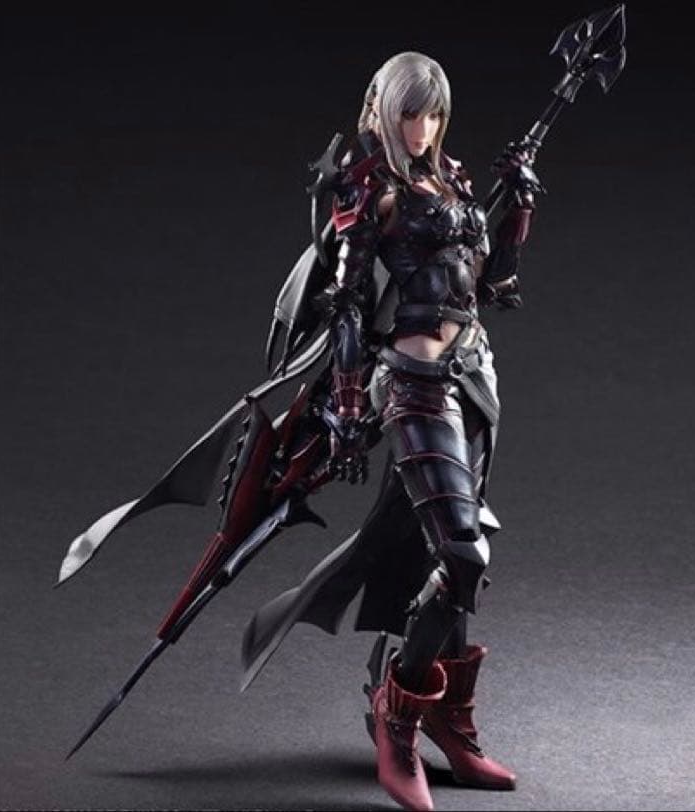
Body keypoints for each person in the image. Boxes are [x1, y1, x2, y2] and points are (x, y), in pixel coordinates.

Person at [243, 51, 541, 811]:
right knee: (464, 554)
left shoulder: (456, 183)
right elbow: (346, 308)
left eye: (435, 113)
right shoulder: (370, 190)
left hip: (474, 380)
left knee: (451, 551)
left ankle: (448, 719)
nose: (423, 127)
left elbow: (492, 284)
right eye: (412, 112)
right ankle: (398, 714)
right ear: (385, 109)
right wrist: (348, 407)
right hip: (414, 389)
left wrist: (518, 206)